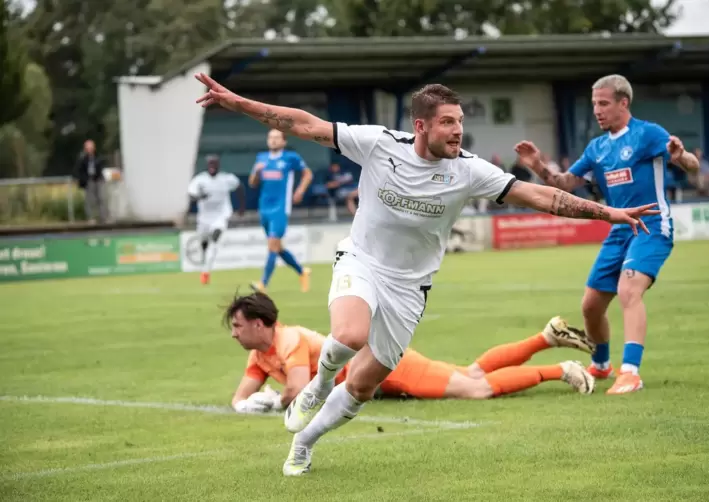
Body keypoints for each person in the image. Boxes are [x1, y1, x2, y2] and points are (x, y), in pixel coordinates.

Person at [194, 73, 659, 476]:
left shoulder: (469, 171)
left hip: (409, 288)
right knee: (350, 334)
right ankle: (317, 385)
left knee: (361, 387)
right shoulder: (378, 144)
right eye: (448, 122)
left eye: (460, 121)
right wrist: (235, 102)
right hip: (361, 260)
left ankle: (304, 443)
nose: (458, 131)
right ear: (421, 125)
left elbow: (546, 198)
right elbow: (301, 123)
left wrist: (609, 213)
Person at [514, 74, 700, 395]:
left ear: (623, 103)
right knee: (590, 306)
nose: (597, 111)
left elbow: (693, 166)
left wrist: (681, 155)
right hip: (618, 230)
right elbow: (564, 184)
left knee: (629, 289)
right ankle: (601, 365)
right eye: (594, 104)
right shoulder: (597, 148)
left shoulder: (647, 134)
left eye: (603, 103)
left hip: (651, 226)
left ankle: (631, 373)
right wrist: (537, 166)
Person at [225, 289, 596, 416]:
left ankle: (562, 369)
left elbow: (298, 391)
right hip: (380, 376)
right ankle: (546, 337)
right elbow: (239, 397)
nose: (234, 333)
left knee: (476, 388)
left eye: (238, 325)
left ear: (260, 324)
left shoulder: (289, 340)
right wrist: (246, 404)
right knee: (473, 373)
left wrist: (272, 403)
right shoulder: (260, 353)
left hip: (389, 369)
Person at [249, 129, 313, 293]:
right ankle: (302, 271)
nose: (273, 140)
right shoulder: (261, 158)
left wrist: (300, 191)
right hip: (264, 208)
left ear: (284, 141)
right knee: (277, 247)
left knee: (272, 245)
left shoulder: (291, 157)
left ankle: (263, 284)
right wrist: (257, 171)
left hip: (280, 208)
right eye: (271, 137)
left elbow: (307, 174)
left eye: (277, 138)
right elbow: (252, 183)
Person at [187, 154, 245, 285]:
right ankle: (204, 262)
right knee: (204, 241)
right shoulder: (200, 180)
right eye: (210, 164)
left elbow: (239, 187)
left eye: (214, 164)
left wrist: (241, 208)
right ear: (207, 165)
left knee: (215, 237)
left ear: (218, 165)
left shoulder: (226, 178)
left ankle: (206, 272)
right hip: (204, 218)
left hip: (221, 215)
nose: (212, 166)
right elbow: (191, 195)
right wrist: (200, 197)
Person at [75, 139, 108, 224]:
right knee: (89, 200)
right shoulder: (83, 158)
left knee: (101, 198)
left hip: (98, 179)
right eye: (87, 148)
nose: (89, 149)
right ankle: (91, 218)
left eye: (90, 147)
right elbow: (79, 170)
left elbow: (101, 166)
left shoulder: (98, 156)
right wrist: (83, 180)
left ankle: (103, 217)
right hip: (89, 180)